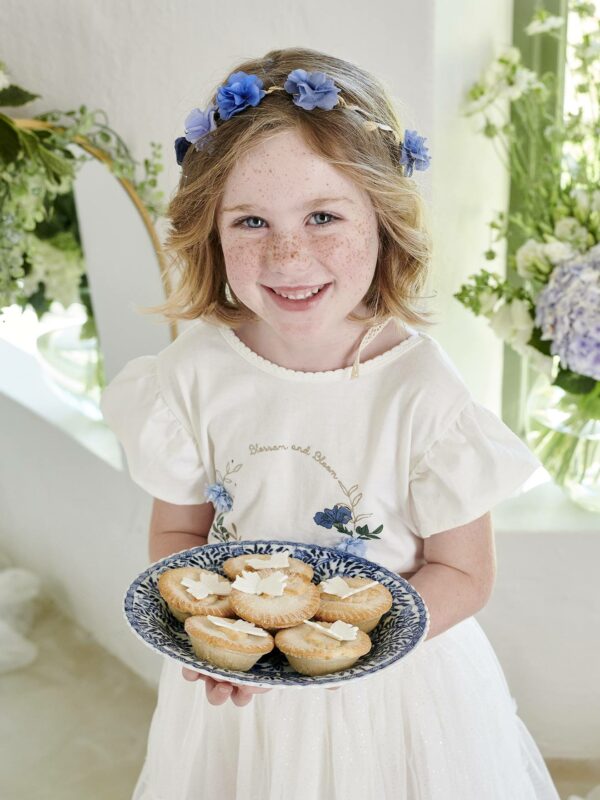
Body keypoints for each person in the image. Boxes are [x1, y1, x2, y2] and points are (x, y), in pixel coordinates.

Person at [100, 47, 561, 800]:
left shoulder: (420, 388)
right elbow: (178, 541)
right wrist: (211, 643)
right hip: (238, 698)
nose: (288, 253)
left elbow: (466, 573)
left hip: (390, 703)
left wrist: (350, 652)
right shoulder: (192, 375)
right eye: (251, 220)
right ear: (210, 234)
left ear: (383, 221)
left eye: (323, 215)